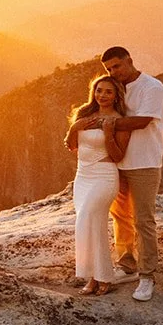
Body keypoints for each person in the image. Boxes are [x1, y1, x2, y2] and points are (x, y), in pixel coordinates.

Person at [70, 47, 163, 301]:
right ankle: (127, 265)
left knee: (143, 220)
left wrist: (104, 122)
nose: (114, 72)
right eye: (109, 69)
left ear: (129, 61)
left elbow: (142, 121)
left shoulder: (152, 87)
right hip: (114, 166)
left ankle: (147, 276)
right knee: (120, 217)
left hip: (144, 162)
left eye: (117, 66)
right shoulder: (116, 88)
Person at [65, 75, 131, 294]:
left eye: (108, 92)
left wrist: (109, 134)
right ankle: (93, 278)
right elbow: (71, 146)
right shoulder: (84, 114)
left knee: (89, 218)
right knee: (86, 224)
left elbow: (118, 156)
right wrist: (75, 128)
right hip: (83, 176)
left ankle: (104, 276)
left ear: (116, 96)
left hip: (104, 176)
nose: (102, 95)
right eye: (99, 90)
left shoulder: (119, 120)